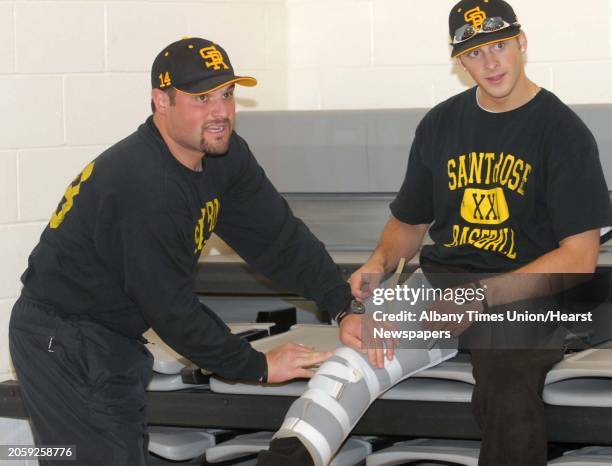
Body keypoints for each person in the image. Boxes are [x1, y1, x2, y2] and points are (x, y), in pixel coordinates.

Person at [258, 1, 612, 465]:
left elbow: (580, 257)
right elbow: (409, 224)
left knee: (507, 387)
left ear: (522, 43)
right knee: (352, 362)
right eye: (474, 54)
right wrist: (379, 262)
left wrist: (480, 297)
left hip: (525, 292)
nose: (490, 63)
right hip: (443, 282)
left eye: (500, 46)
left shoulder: (562, 132)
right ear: (458, 61)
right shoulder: (441, 124)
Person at [8, 37, 353, 466]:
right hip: (62, 338)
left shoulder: (223, 156)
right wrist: (258, 365)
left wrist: (342, 304)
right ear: (161, 101)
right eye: (202, 98)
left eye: (227, 95)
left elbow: (278, 238)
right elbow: (170, 308)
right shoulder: (144, 183)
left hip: (114, 334)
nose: (221, 113)